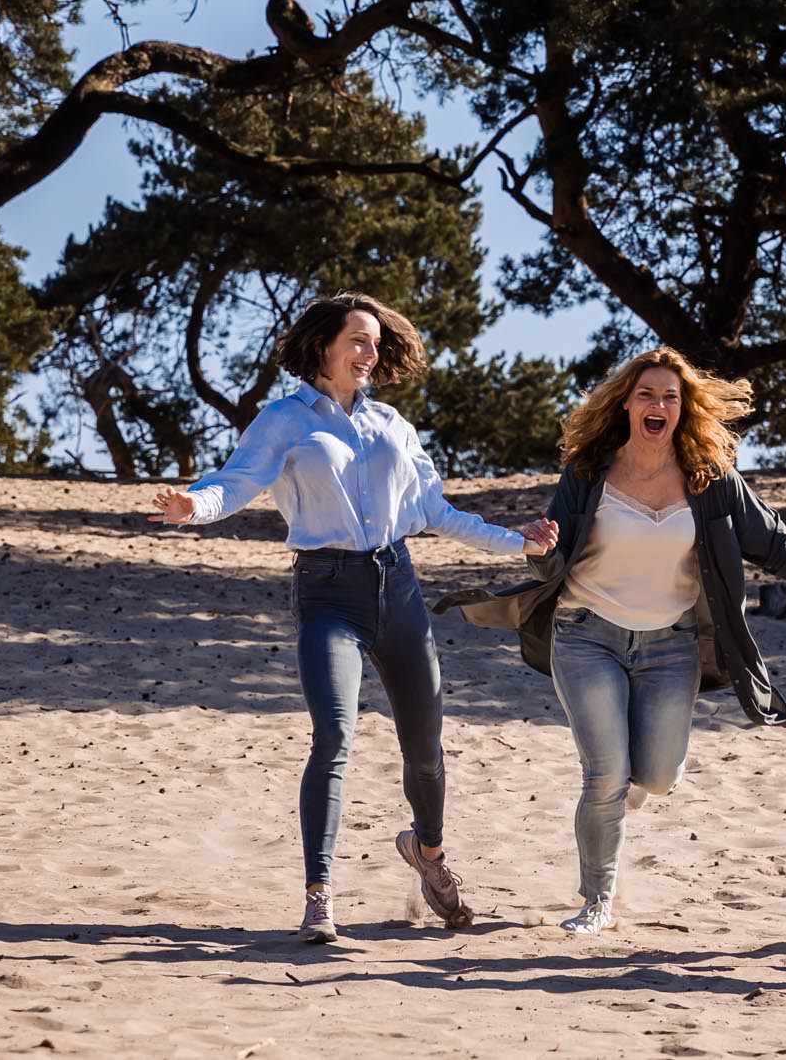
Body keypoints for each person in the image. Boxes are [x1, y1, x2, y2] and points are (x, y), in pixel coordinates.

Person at [146, 292, 557, 945]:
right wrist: (189, 507)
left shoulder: (392, 425)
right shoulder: (283, 420)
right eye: (357, 340)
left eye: (374, 342)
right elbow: (236, 481)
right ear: (323, 346)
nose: (369, 353)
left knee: (425, 748)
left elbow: (438, 511)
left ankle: (428, 852)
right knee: (333, 735)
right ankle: (319, 896)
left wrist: (519, 541)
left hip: (397, 588)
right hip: (327, 591)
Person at [436, 347, 786, 936]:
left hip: (671, 643)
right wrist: (538, 545)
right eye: (646, 395)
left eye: (670, 397)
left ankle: (621, 805)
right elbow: (549, 557)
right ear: (626, 405)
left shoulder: (711, 481)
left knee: (655, 776)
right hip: (587, 636)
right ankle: (596, 901)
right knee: (604, 774)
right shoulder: (589, 474)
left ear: (684, 409)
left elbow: (775, 541)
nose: (658, 405)